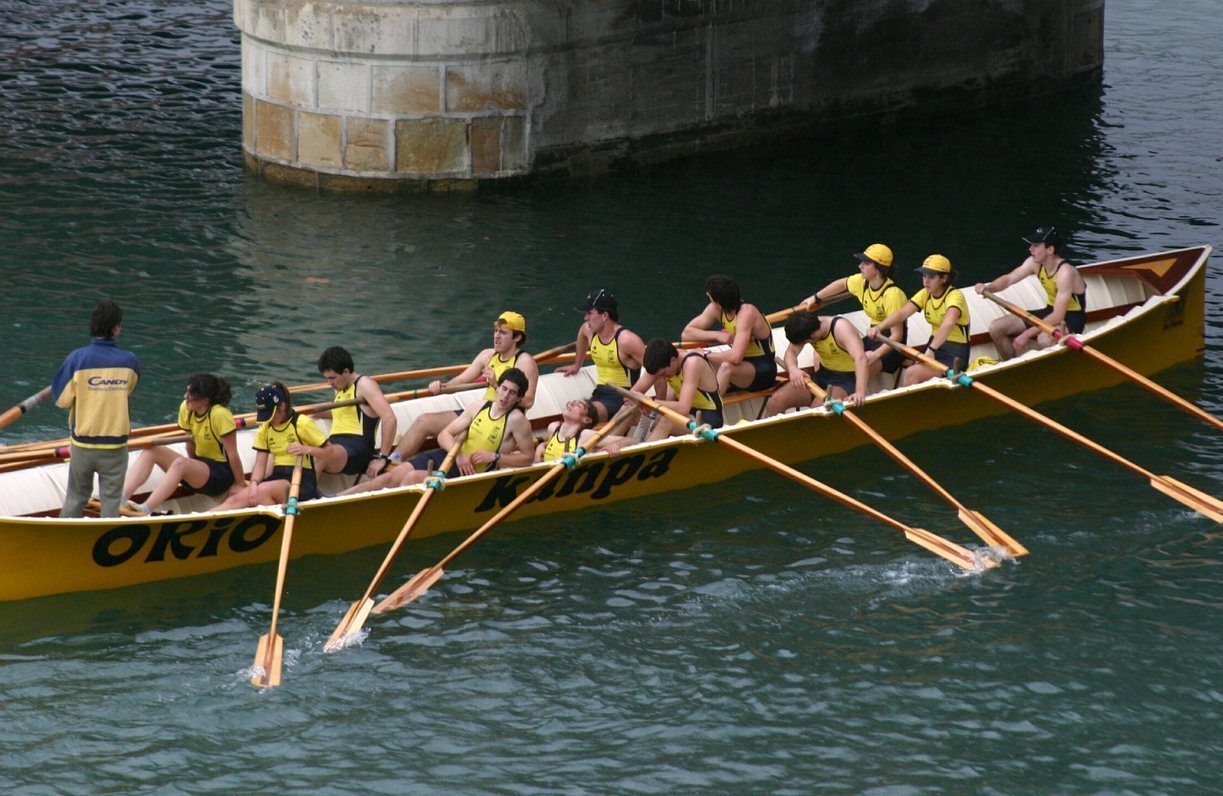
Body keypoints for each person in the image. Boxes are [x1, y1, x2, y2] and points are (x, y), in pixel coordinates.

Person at [371, 311, 538, 476]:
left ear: (517, 338)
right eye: (495, 331)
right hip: (481, 412)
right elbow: (462, 380)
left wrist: (495, 384)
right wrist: (442, 387)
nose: (496, 336)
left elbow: (528, 401)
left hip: (503, 423)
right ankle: (392, 460)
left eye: (503, 332)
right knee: (424, 421)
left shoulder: (525, 362)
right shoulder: (487, 355)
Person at [339, 368, 535, 495]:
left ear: (518, 399)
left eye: (512, 393)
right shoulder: (480, 406)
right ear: (498, 387)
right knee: (391, 476)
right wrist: (457, 455)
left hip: (470, 474)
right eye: (504, 389)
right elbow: (444, 435)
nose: (505, 396)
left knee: (410, 479)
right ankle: (339, 498)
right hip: (452, 458)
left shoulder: (518, 421)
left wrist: (495, 456)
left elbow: (527, 458)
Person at [52, 299, 141, 519]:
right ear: (117, 328)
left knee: (76, 498)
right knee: (110, 502)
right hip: (115, 446)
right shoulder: (130, 361)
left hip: (83, 444)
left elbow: (61, 399)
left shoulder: (77, 359)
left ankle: (62, 540)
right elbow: (128, 389)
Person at [118, 373, 245, 515]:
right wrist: (192, 470)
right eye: (187, 391)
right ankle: (121, 497)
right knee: (152, 450)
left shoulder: (220, 415)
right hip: (202, 468)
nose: (185, 396)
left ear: (204, 399)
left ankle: (145, 508)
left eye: (191, 394)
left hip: (220, 473)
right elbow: (190, 442)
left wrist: (240, 485)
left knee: (180, 463)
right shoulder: (186, 409)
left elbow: (232, 455)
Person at [975, 226, 1088, 359]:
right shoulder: (1034, 263)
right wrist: (989, 288)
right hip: (1049, 311)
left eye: (1036, 245)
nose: (1030, 249)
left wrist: (1026, 334)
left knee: (1044, 339)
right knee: (996, 327)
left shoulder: (1065, 273)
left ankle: (1054, 371)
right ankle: (1012, 366)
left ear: (1050, 249)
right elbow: (1009, 279)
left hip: (1071, 319)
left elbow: (1058, 317)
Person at [216, 383, 330, 509]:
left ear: (282, 406)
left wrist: (307, 449)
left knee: (263, 489)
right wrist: (254, 483)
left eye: (272, 415)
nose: (269, 420)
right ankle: (206, 517)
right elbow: (260, 464)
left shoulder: (302, 423)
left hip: (301, 481)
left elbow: (330, 452)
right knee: (235, 498)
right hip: (278, 477)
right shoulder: (265, 428)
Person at [801, 243, 908, 377]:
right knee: (819, 353)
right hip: (873, 337)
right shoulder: (862, 283)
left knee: (860, 368)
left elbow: (897, 336)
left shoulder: (892, 295)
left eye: (866, 263)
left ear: (879, 268)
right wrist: (815, 297)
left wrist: (875, 355)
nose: (860, 266)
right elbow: (841, 284)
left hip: (891, 346)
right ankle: (822, 381)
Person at [868, 254, 971, 386]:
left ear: (944, 278)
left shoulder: (955, 296)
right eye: (924, 276)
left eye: (931, 276)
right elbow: (902, 313)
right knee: (909, 366)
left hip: (955, 355)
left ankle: (911, 405)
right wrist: (879, 327)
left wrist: (931, 350)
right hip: (933, 347)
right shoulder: (925, 294)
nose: (926, 280)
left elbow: (949, 323)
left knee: (912, 373)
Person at [556, 289, 646, 424]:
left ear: (604, 315)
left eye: (589, 313)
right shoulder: (589, 330)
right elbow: (582, 335)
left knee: (581, 416)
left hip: (622, 397)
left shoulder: (627, 340)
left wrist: (642, 396)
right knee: (574, 412)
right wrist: (576, 365)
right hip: (600, 393)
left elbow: (655, 371)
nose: (585, 318)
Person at [310, 346, 398, 481]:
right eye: (327, 378)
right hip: (336, 445)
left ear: (346, 371)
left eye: (332, 378)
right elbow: (341, 413)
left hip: (358, 450)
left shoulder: (365, 385)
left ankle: (303, 497)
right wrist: (314, 414)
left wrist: (383, 457)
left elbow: (389, 418)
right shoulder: (339, 386)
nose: (329, 383)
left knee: (319, 454)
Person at [682, 275, 776, 395]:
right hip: (741, 365)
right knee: (687, 359)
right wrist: (716, 335)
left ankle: (712, 408)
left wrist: (706, 354)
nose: (707, 295)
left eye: (710, 296)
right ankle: (675, 404)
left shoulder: (747, 313)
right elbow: (686, 334)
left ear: (719, 303)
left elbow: (735, 357)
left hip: (763, 369)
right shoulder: (715, 309)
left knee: (727, 367)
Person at [763, 311, 870, 417]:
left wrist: (860, 392)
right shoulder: (805, 327)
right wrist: (793, 369)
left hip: (846, 380)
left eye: (805, 342)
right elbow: (791, 352)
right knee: (777, 399)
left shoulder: (841, 328)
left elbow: (860, 358)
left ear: (812, 337)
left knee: (818, 408)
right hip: (822, 374)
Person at [630, 339, 724, 441]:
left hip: (707, 419)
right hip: (687, 416)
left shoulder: (692, 363)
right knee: (631, 412)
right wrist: (639, 401)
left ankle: (645, 450)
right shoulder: (663, 362)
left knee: (668, 419)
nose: (662, 377)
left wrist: (649, 402)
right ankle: (631, 443)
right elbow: (631, 395)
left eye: (663, 374)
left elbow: (683, 408)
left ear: (673, 360)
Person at [535, 398, 631, 463]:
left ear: (587, 420)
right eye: (573, 402)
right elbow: (556, 445)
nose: (572, 403)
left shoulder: (586, 435)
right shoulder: (553, 427)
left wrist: (616, 445)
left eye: (579, 405)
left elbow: (631, 441)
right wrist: (541, 445)